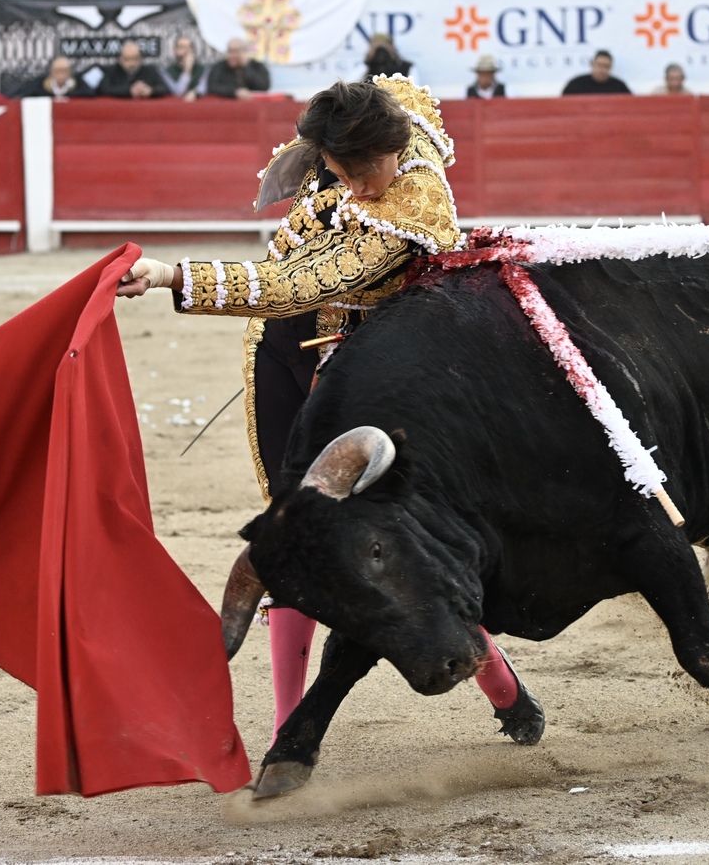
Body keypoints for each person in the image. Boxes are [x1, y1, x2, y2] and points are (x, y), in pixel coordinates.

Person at [114, 77, 544, 754]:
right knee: (293, 529)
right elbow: (381, 98)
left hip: (361, 369)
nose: (357, 188)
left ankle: (498, 682)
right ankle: (288, 726)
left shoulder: (412, 211)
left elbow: (293, 285)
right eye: (340, 173)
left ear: (391, 152)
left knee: (402, 536)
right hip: (279, 350)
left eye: (363, 174)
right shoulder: (367, 125)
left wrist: (175, 276)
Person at [99, 41, 168, 98]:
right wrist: (128, 91)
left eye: (135, 59)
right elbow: (104, 89)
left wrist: (151, 90)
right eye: (127, 59)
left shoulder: (150, 71)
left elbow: (165, 87)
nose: (131, 63)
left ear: (141, 59)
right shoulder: (112, 71)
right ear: (120, 59)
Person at [206, 38, 271, 99]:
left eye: (236, 51)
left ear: (245, 52)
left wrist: (246, 67)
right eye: (230, 51)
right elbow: (212, 87)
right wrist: (234, 92)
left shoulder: (257, 66)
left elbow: (264, 87)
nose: (232, 55)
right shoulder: (219, 67)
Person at [562, 50, 631, 94]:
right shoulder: (576, 85)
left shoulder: (619, 87)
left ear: (611, 68)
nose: (602, 70)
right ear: (592, 64)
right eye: (599, 65)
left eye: (606, 66)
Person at [29, 54, 95, 98]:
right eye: (57, 71)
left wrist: (67, 95)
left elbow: (89, 94)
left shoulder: (79, 84)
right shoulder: (40, 85)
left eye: (64, 71)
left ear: (70, 72)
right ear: (52, 72)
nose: (61, 75)